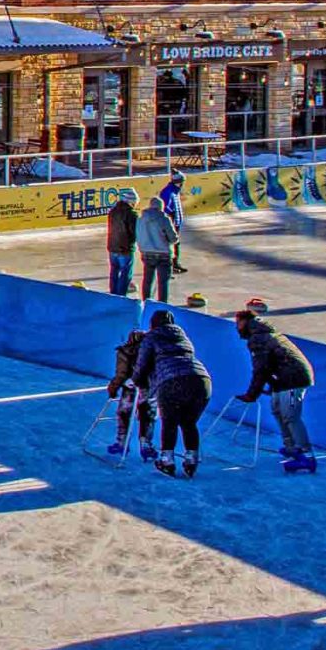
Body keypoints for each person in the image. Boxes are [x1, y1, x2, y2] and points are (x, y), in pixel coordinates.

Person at [234, 307, 317, 473]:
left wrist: (252, 394)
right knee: (277, 409)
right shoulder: (263, 334)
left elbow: (261, 369)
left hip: (294, 379)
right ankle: (291, 447)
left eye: (237, 323)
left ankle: (307, 455)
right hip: (282, 378)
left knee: (290, 416)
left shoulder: (258, 338)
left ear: (244, 322)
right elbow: (271, 365)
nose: (236, 327)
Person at [135, 307, 211, 479]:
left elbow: (142, 363)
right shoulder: (183, 338)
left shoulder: (151, 337)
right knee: (189, 422)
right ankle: (191, 459)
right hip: (202, 380)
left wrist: (138, 381)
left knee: (169, 422)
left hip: (171, 381)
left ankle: (167, 460)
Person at [106, 323, 158, 462]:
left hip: (131, 388)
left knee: (124, 414)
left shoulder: (125, 351)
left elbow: (121, 374)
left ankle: (122, 442)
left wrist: (113, 388)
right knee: (148, 416)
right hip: (149, 389)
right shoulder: (154, 350)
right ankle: (146, 445)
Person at [135, 196, 177, 303]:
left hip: (147, 253)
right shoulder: (164, 219)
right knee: (163, 282)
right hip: (163, 254)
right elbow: (173, 238)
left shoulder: (140, 220)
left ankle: (146, 302)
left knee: (147, 280)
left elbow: (138, 236)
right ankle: (162, 305)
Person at [104, 195, 138, 296]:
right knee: (125, 273)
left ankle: (113, 293)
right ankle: (121, 295)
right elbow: (134, 232)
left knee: (114, 271)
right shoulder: (131, 214)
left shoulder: (113, 211)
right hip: (125, 249)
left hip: (112, 246)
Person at [159, 169, 189, 274]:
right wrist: (171, 218)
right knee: (173, 243)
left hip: (175, 222)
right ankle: (172, 264)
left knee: (176, 243)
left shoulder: (174, 191)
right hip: (171, 223)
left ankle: (175, 263)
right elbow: (165, 209)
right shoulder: (169, 192)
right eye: (182, 181)